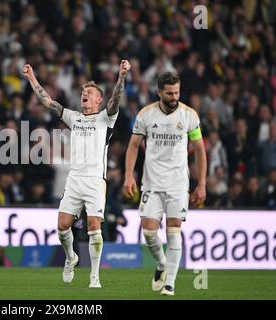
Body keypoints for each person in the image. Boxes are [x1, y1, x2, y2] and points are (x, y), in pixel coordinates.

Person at [23, 59, 131, 288]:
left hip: (94, 181)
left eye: (90, 92)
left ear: (98, 99)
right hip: (74, 179)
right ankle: (71, 257)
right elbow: (47, 101)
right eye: (83, 91)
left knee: (94, 227)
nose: (85, 94)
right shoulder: (74, 117)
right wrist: (32, 78)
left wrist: (121, 76)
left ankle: (94, 276)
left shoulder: (106, 118)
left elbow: (116, 99)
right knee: (62, 227)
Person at [123, 72, 206, 296]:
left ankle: (170, 283)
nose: (174, 97)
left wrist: (202, 184)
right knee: (149, 234)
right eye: (169, 93)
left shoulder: (189, 116)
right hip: (151, 183)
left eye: (177, 92)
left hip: (178, 183)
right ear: (159, 92)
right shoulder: (146, 115)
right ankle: (161, 264)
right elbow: (132, 146)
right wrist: (129, 175)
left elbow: (199, 149)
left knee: (174, 230)